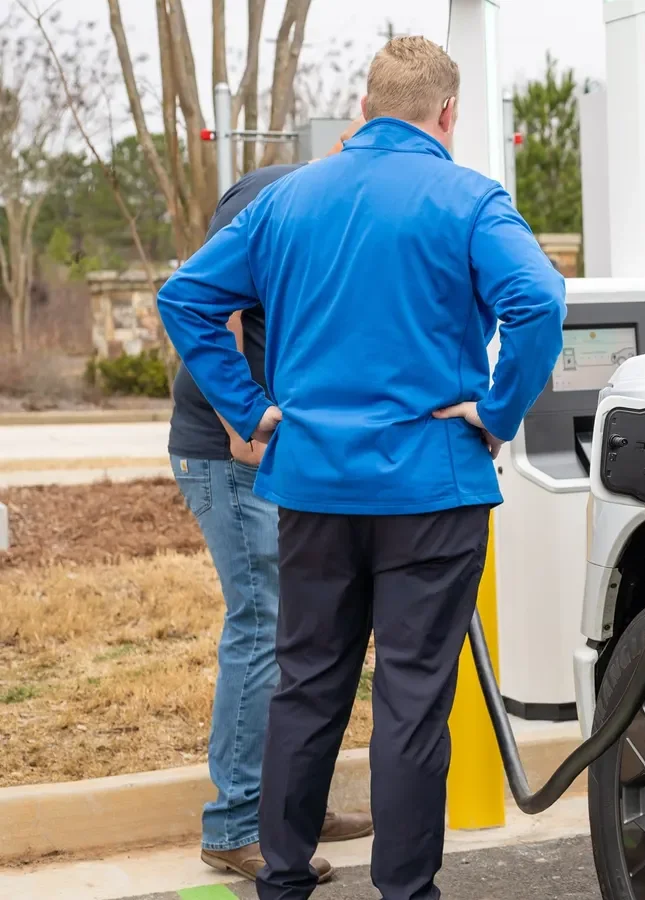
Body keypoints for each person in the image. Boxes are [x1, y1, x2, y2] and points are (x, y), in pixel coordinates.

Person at [157, 35, 567, 900]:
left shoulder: (288, 198)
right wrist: (497, 413)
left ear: (364, 106)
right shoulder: (469, 198)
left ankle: (282, 880)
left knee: (306, 686)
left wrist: (251, 408)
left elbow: (186, 297)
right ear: (448, 113)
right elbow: (537, 301)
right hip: (432, 488)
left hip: (312, 485)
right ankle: (405, 892)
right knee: (413, 701)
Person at [169, 114, 373, 886]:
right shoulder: (270, 193)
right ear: (345, 146)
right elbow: (207, 301)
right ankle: (235, 826)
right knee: (262, 625)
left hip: (289, 451)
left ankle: (294, 807)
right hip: (229, 451)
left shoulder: (348, 214)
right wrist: (239, 422)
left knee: (309, 629)